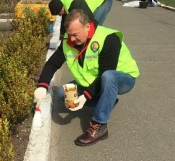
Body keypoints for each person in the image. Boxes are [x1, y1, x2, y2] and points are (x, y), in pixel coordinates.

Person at [34, 9, 140, 146]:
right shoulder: (69, 41)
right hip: (94, 81)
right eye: (69, 34)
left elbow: (105, 72)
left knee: (108, 76)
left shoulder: (108, 38)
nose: (71, 39)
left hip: (122, 78)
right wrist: (42, 85)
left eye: (75, 34)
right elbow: (52, 64)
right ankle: (107, 100)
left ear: (87, 26)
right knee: (62, 93)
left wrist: (85, 96)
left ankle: (99, 126)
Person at [48, 0, 113, 39]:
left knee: (92, 27)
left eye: (59, 14)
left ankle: (96, 49)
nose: (60, 15)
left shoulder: (76, 4)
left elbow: (88, 18)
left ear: (61, 9)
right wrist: (62, 36)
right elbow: (65, 19)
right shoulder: (63, 0)